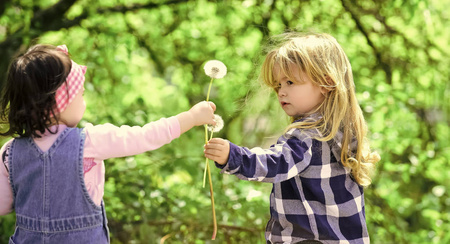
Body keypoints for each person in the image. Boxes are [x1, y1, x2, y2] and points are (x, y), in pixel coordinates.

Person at [0, 44, 216, 243]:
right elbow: (145, 136)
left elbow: (3, 205)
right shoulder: (90, 142)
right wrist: (191, 117)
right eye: (80, 95)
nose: (83, 101)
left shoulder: (10, 153)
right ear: (60, 101)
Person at [204, 32, 380, 244]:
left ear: (325, 84)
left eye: (290, 82)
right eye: (278, 85)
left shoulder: (307, 135)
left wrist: (234, 157)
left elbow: (276, 163)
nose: (281, 92)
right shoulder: (342, 131)